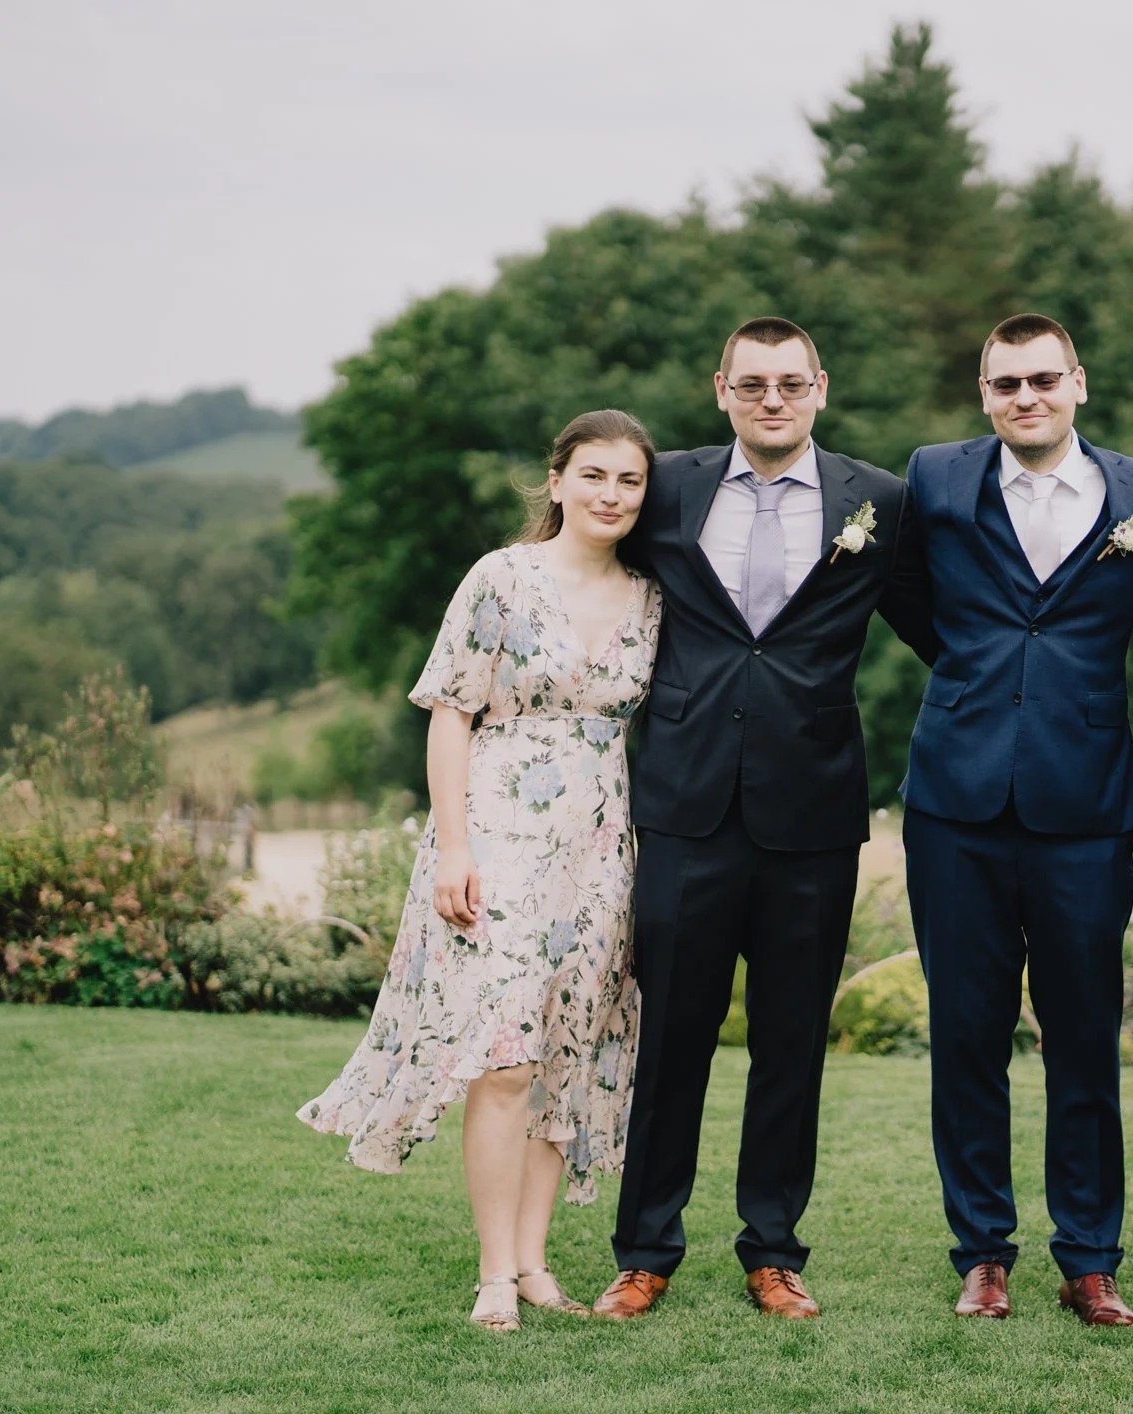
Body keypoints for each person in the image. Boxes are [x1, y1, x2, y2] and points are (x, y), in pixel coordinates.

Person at [596, 317, 937, 1322]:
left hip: (814, 814)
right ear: (722, 391)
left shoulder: (878, 501)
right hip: (687, 806)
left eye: (791, 383)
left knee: (791, 1046)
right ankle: (645, 1250)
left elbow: (943, 631)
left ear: (820, 388)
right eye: (754, 384)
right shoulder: (667, 490)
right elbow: (586, 566)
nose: (773, 399)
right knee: (673, 1043)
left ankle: (773, 1252)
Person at [299, 409, 663, 1333]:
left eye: (628, 480)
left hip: (599, 852)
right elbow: (450, 711)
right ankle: (493, 1272)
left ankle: (538, 1263)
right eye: (593, 476)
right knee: (502, 1058)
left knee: (564, 1055)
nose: (610, 494)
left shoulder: (653, 596)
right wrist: (454, 845)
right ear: (556, 482)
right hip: (498, 839)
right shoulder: (501, 579)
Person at [901, 313, 1133, 1327]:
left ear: (1078, 384)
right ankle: (982, 1251)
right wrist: (978, 670)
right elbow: (905, 593)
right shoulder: (934, 478)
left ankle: (1091, 1256)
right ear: (984, 393)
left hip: (1084, 803)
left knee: (1084, 1037)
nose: (1027, 396)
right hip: (955, 805)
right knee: (966, 1034)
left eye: (1043, 379)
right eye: (1006, 382)